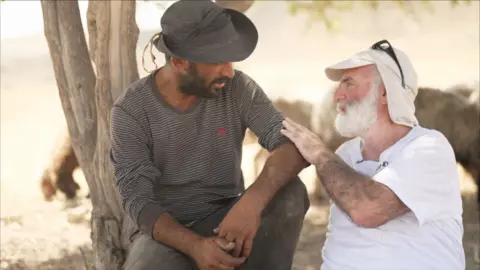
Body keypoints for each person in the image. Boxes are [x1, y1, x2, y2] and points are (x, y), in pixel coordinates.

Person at [109, 1, 310, 269]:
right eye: (217, 61)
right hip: (168, 236)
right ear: (180, 62)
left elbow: (291, 145)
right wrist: (196, 248)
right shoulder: (131, 110)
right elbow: (139, 201)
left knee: (290, 192)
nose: (229, 71)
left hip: (229, 221)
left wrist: (251, 204)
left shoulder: (237, 88)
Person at [281, 40, 466, 269]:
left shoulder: (428, 147)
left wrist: (319, 153)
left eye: (348, 84)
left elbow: (368, 210)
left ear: (386, 93)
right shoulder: (345, 154)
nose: (337, 96)